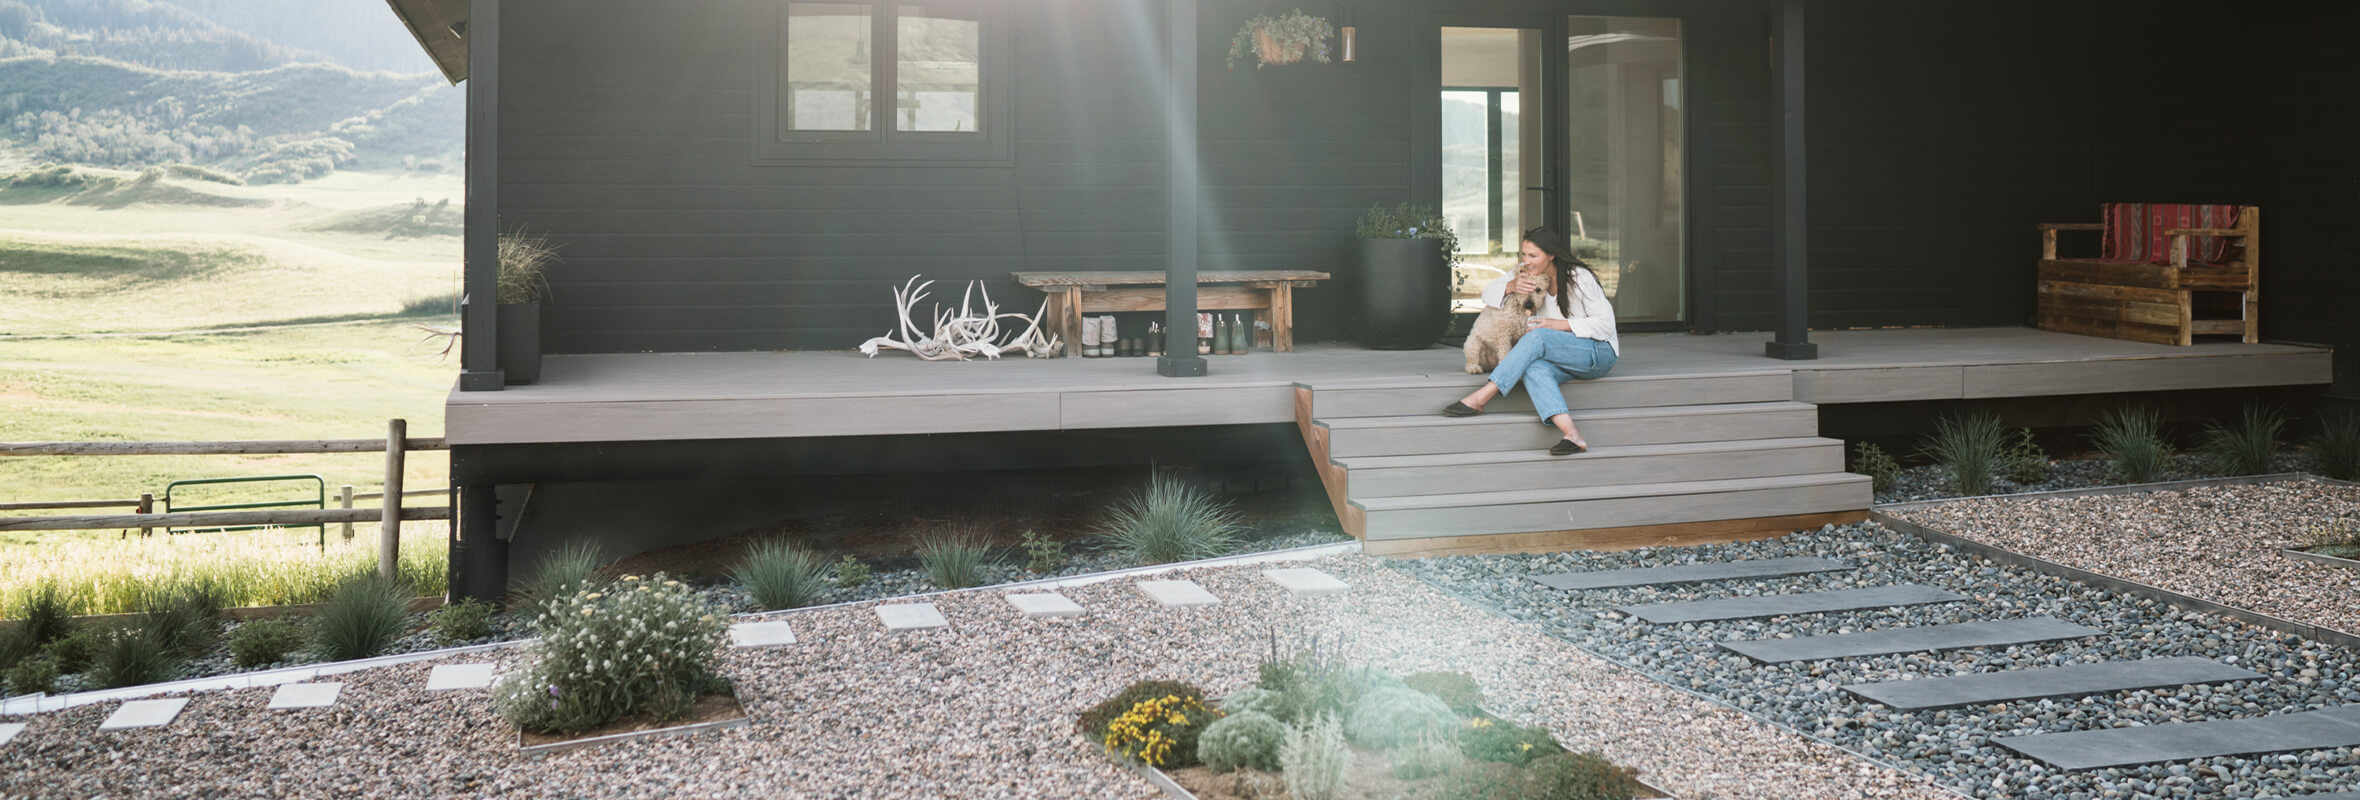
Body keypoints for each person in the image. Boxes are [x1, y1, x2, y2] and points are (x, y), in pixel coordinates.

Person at [1440, 226, 1621, 455]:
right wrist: (1510, 286)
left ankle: (1482, 396)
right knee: (1533, 367)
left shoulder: (1578, 277)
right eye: (1524, 254)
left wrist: (1560, 325)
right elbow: (1487, 294)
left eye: (1533, 256)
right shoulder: (1526, 274)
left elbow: (1606, 324)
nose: (1527, 260)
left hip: (1599, 353)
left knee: (1539, 335)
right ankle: (1571, 434)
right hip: (1564, 357)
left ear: (1551, 255)